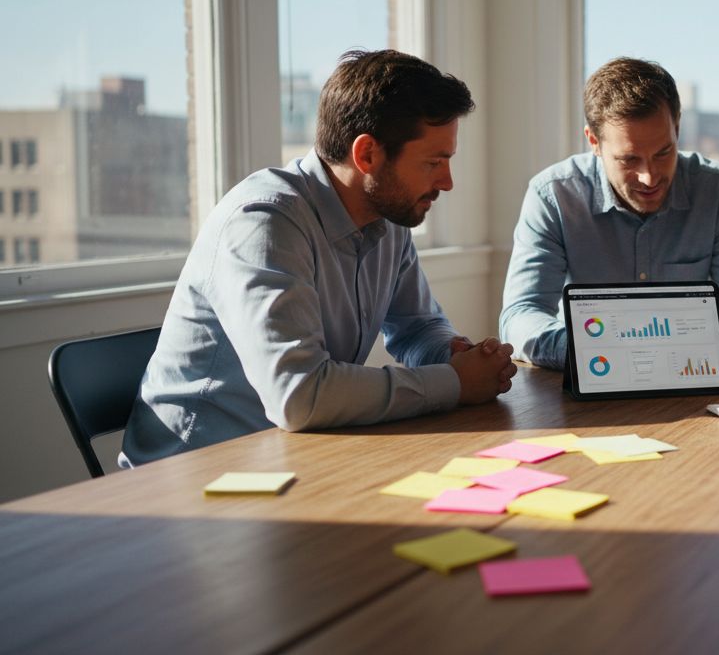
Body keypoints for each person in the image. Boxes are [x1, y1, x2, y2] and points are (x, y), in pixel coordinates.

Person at [121, 49, 517, 466]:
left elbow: (416, 328)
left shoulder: (388, 218)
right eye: (433, 163)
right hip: (194, 470)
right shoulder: (264, 222)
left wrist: (454, 354)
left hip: (291, 453)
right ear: (367, 155)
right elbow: (299, 395)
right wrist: (453, 383)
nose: (447, 182)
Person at [499, 57, 719, 369]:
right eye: (629, 159)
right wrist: (589, 349)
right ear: (594, 142)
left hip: (692, 376)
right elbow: (521, 315)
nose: (649, 177)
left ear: (677, 128)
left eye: (663, 152)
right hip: (593, 375)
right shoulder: (554, 196)